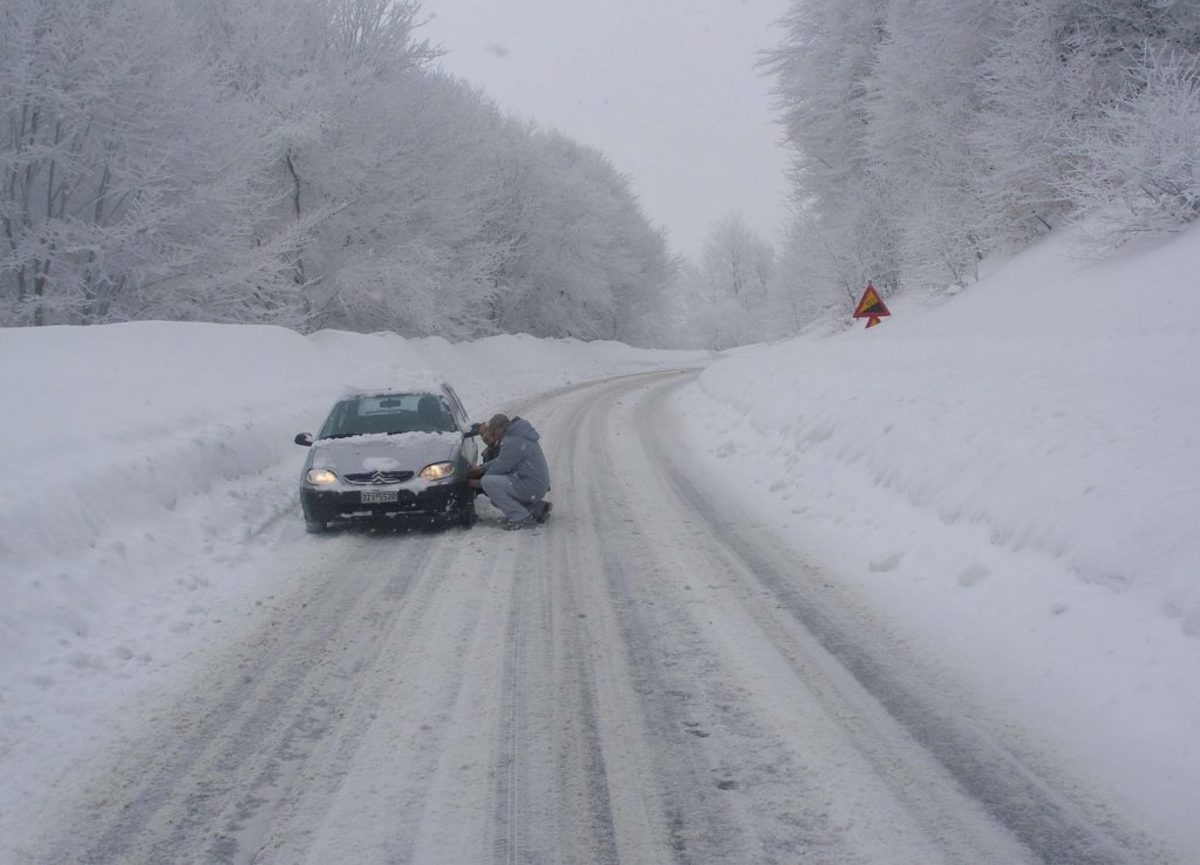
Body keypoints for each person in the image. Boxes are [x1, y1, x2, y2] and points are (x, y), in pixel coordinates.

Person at [468, 413, 552, 529]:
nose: (494, 436)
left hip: (531, 485)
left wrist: (477, 482)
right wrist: (481, 468)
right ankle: (537, 509)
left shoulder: (512, 441)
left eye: (494, 432)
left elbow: (500, 467)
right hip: (536, 483)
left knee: (489, 483)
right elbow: (502, 460)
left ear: (500, 429)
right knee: (496, 498)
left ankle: (521, 518)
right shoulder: (519, 435)